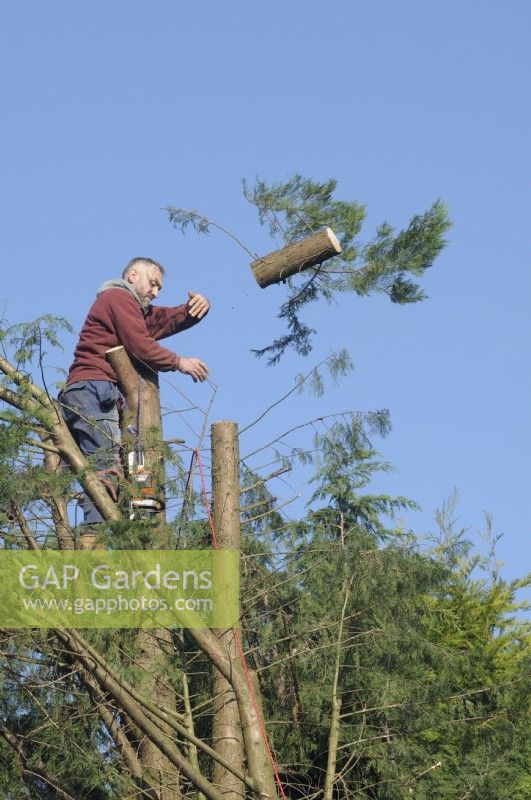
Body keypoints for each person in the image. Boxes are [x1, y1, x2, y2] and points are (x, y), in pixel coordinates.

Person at [59, 257, 210, 528]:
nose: (156, 292)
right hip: (94, 388)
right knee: (105, 467)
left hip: (81, 391)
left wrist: (193, 310)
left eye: (159, 288)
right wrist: (180, 362)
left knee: (88, 466)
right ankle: (95, 538)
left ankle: (101, 530)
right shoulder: (118, 298)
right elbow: (141, 344)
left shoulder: (127, 307)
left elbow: (160, 321)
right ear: (132, 275)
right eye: (153, 284)